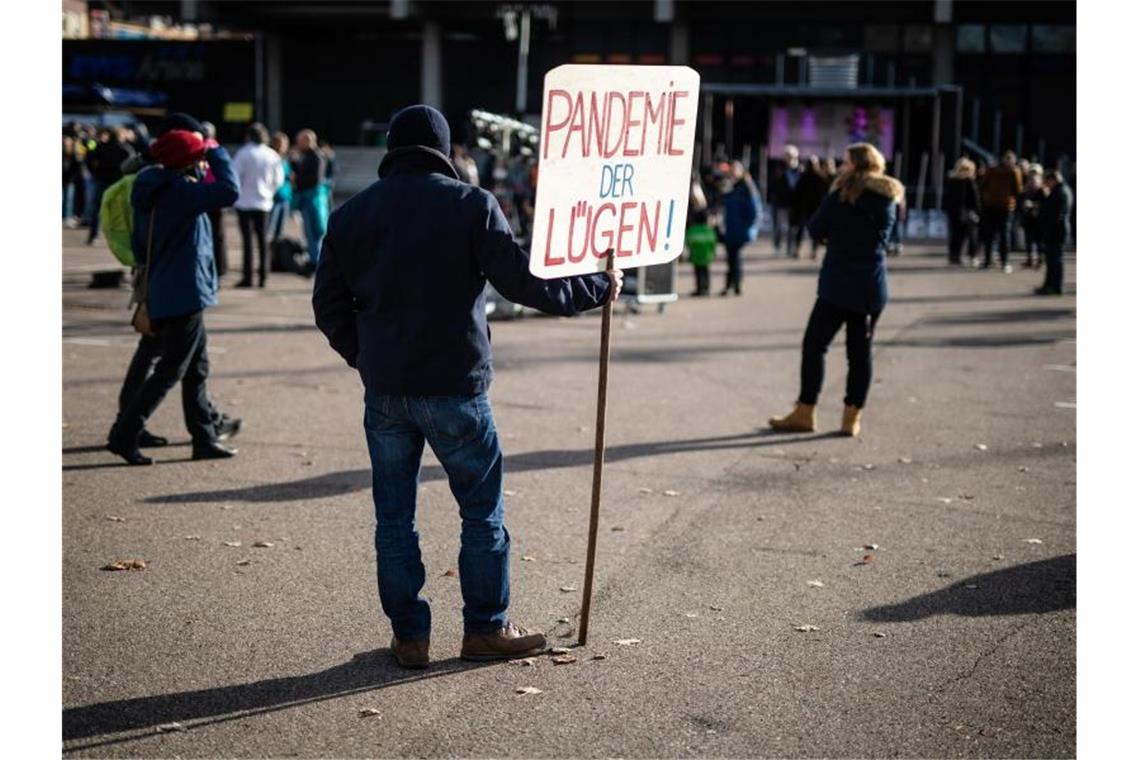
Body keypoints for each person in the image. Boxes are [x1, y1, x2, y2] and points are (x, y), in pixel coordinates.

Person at [312, 105, 621, 669]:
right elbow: (523, 283)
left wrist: (365, 357)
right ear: (446, 149)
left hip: (386, 390)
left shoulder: (352, 213)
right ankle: (484, 629)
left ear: (391, 146)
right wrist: (597, 287)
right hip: (456, 384)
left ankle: (410, 638)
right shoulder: (471, 205)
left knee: (393, 518)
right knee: (481, 514)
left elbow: (327, 304)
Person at [108, 112, 243, 450]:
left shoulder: (150, 188)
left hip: (167, 288)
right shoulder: (180, 192)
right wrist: (214, 149)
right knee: (170, 370)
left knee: (197, 366)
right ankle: (125, 434)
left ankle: (204, 437)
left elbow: (142, 245)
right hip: (184, 292)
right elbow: (229, 190)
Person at [768, 143, 903, 438]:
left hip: (838, 285)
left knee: (815, 345)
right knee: (860, 353)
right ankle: (851, 418)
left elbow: (815, 229)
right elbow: (890, 239)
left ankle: (805, 410)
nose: (841, 167)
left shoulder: (842, 195)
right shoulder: (890, 198)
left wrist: (837, 238)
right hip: (871, 287)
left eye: (845, 162)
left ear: (855, 165)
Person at [232, 123, 284, 288]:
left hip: (245, 203)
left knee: (247, 243)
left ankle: (248, 277)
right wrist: (269, 192)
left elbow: (234, 176)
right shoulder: (272, 155)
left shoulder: (243, 153)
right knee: (262, 241)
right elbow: (279, 180)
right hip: (264, 203)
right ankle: (263, 276)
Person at [85, 128, 135, 245]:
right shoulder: (126, 149)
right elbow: (133, 165)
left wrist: (94, 173)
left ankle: (93, 235)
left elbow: (89, 159)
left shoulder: (101, 146)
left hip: (102, 180)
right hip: (119, 183)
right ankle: (119, 238)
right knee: (120, 210)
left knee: (97, 209)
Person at [978, 150, 1023, 273]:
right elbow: (1018, 190)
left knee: (999, 235)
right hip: (1000, 206)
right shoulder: (1010, 171)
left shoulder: (999, 170)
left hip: (1001, 206)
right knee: (997, 234)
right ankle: (997, 261)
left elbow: (983, 185)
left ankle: (998, 261)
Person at [291, 129, 329, 274]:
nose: (298, 144)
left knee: (315, 231)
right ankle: (315, 258)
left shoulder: (317, 157)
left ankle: (316, 260)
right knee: (310, 232)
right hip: (309, 199)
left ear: (308, 141)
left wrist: (296, 180)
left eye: (300, 141)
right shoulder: (307, 156)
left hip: (313, 200)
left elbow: (314, 180)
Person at [719, 161, 759, 296]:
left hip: (738, 229)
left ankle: (733, 285)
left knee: (734, 258)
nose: (733, 172)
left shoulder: (746, 188)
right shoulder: (732, 186)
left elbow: (754, 210)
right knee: (732, 258)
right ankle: (734, 285)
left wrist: (746, 225)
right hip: (730, 227)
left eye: (736, 170)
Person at [1035, 170, 1073, 296]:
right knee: (1052, 259)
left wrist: (1042, 211)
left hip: (1056, 230)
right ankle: (1049, 285)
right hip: (1057, 229)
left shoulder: (1059, 192)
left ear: (1053, 180)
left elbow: (1056, 213)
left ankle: (1055, 286)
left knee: (1055, 260)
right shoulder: (1063, 190)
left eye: (1047, 181)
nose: (1046, 184)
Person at [943, 157, 982, 266]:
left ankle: (954, 256)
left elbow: (947, 198)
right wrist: (978, 211)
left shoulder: (952, 180)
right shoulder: (969, 181)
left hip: (954, 213)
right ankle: (973, 256)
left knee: (956, 236)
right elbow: (975, 198)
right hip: (967, 212)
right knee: (972, 235)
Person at [792, 155, 830, 260]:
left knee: (807, 229)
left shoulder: (816, 177)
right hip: (811, 208)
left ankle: (808, 250)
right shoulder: (817, 177)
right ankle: (808, 250)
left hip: (811, 208)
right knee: (806, 229)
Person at [768, 145, 801, 256]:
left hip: (794, 204)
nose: (788, 158)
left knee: (792, 228)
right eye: (787, 156)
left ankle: (790, 248)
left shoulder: (799, 170)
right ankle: (777, 246)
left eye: (790, 156)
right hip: (781, 203)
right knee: (780, 227)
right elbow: (774, 185)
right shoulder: (779, 169)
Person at [267, 132, 294, 242]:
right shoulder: (270, 157)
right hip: (274, 197)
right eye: (281, 144)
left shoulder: (285, 159)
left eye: (285, 144)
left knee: (280, 232)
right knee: (270, 231)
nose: (284, 146)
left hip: (285, 197)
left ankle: (277, 257)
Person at [685, 209, 717, 296]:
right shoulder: (709, 230)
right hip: (707, 255)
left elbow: (688, 242)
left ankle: (699, 289)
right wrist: (714, 253)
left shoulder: (692, 230)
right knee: (706, 272)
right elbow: (713, 243)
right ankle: (706, 288)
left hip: (696, 256)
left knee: (698, 273)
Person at [1019, 165, 1046, 269]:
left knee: (1039, 240)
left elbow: (1045, 203)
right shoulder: (1026, 189)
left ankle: (1040, 259)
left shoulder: (1042, 190)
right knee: (1028, 240)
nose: (1032, 178)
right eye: (1031, 175)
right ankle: (1029, 259)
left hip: (1038, 219)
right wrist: (1023, 205)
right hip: (1028, 218)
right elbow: (1020, 200)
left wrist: (1033, 205)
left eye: (1034, 175)